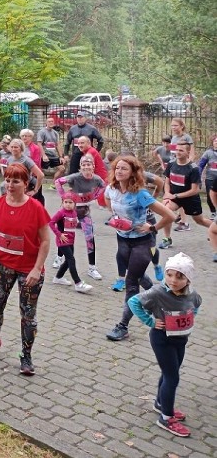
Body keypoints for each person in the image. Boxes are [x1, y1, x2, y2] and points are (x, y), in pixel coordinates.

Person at [0, 164, 51, 376]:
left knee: (27, 313)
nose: (10, 185)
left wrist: (37, 268)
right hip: (1, 266)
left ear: (26, 184)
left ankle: (26, 355)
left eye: (15, 181)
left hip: (29, 270)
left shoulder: (36, 208)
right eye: (7, 180)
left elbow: (45, 241)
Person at [127, 252, 201, 438]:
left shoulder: (192, 295)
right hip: (162, 339)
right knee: (172, 377)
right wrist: (150, 321)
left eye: (179, 276)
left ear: (188, 279)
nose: (173, 280)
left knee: (169, 373)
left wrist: (189, 316)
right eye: (169, 274)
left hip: (180, 339)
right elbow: (133, 301)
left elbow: (196, 305)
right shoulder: (158, 293)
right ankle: (166, 417)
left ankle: (160, 403)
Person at [105, 155, 176, 342]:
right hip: (122, 240)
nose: (119, 171)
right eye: (117, 168)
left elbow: (170, 215)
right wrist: (115, 219)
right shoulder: (111, 189)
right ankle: (158, 294)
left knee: (131, 284)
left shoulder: (141, 194)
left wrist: (152, 227)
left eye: (124, 169)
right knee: (133, 274)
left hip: (142, 242)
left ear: (133, 173)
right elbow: (107, 202)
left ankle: (122, 326)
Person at [53, 154, 105, 280]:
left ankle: (92, 268)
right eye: (84, 165)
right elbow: (58, 182)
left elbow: (103, 186)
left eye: (89, 164)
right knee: (65, 236)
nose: (86, 167)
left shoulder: (97, 179)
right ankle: (59, 257)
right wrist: (64, 196)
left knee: (89, 238)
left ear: (93, 166)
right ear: (80, 167)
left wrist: (95, 196)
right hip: (68, 212)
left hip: (84, 212)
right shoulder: (75, 177)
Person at [160, 141, 212, 241]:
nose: (178, 152)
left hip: (190, 199)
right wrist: (167, 193)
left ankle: (214, 230)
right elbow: (166, 182)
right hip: (174, 197)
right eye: (177, 150)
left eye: (181, 150)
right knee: (166, 211)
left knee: (199, 220)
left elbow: (194, 190)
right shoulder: (171, 164)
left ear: (188, 152)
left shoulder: (193, 168)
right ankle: (167, 239)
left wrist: (175, 196)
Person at [48, 193, 91, 292]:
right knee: (71, 260)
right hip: (62, 241)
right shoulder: (60, 213)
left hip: (71, 240)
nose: (68, 204)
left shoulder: (74, 213)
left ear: (75, 204)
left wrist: (84, 225)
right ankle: (78, 283)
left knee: (68, 261)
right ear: (62, 203)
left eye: (70, 202)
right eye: (65, 202)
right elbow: (51, 223)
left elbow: (74, 223)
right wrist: (59, 234)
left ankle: (58, 278)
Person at [37, 116, 64, 180]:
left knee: (62, 169)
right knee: (39, 171)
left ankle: (54, 184)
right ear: (46, 123)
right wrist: (43, 155)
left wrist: (60, 156)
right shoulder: (42, 132)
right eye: (49, 121)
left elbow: (57, 145)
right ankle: (38, 185)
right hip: (45, 156)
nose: (51, 123)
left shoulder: (55, 133)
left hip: (53, 155)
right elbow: (39, 143)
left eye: (52, 121)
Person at [198, 135, 217, 219]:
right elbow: (201, 165)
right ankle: (213, 212)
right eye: (215, 141)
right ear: (213, 143)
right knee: (210, 196)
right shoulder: (208, 153)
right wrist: (199, 178)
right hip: (210, 178)